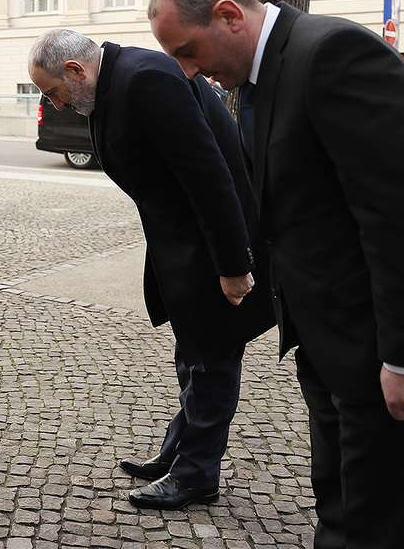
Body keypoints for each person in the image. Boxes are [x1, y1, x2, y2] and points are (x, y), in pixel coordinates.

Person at [147, 0, 404, 548]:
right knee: (340, 507)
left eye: (188, 50)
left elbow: (401, 217)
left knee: (375, 527)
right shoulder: (259, 76)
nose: (188, 70)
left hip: (393, 344)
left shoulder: (334, 54)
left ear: (229, 15)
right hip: (332, 339)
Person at [27, 29, 274, 510]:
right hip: (184, 248)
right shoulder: (113, 83)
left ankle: (196, 476)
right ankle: (179, 453)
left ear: (75, 71)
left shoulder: (145, 79)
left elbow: (209, 174)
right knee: (193, 357)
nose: (54, 105)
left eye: (52, 92)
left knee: (211, 362)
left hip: (213, 248)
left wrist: (232, 265)